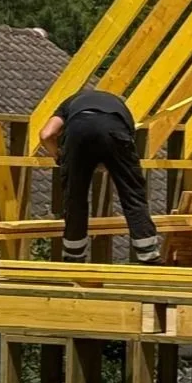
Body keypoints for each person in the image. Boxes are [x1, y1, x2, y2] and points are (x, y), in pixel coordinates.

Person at [37, 88, 160, 265]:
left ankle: (74, 257)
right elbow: (121, 149)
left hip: (77, 133)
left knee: (74, 199)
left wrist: (59, 157)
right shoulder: (121, 108)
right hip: (114, 130)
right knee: (133, 195)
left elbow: (46, 134)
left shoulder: (69, 104)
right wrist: (110, 163)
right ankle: (148, 256)